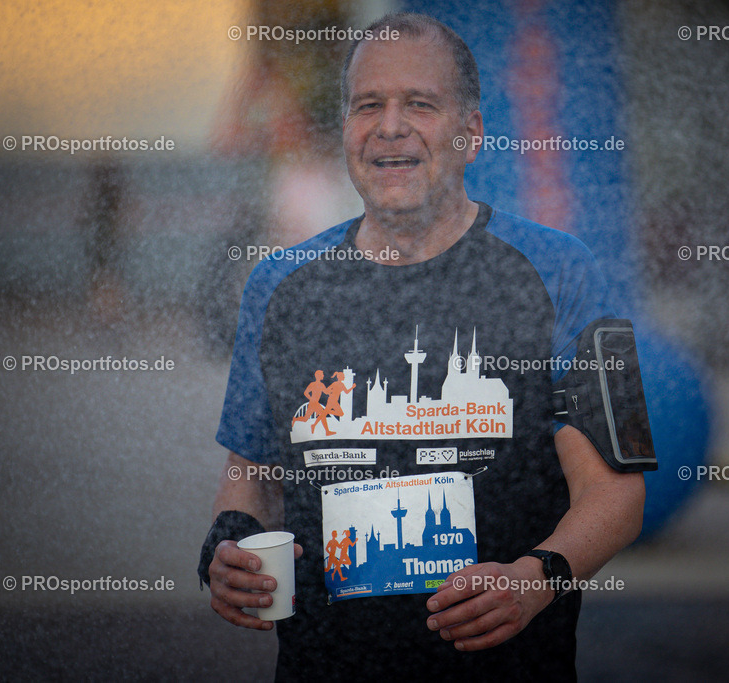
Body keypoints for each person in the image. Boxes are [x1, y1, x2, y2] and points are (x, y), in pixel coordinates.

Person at [201, 12, 645, 681]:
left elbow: (616, 494)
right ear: (345, 129)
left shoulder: (563, 270)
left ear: (472, 133)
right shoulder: (277, 285)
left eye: (420, 104)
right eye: (367, 105)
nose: (389, 126)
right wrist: (228, 544)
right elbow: (251, 473)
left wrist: (536, 578)